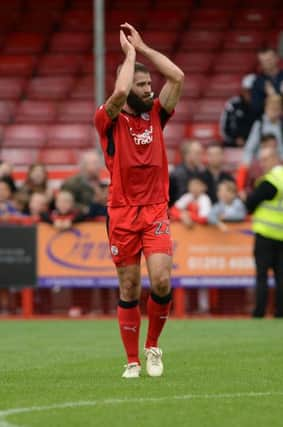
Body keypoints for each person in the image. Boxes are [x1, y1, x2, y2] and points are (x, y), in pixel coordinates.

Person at [94, 23, 184, 378]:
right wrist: (128, 56)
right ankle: (131, 360)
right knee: (129, 286)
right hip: (121, 213)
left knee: (161, 281)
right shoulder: (108, 119)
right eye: (143, 85)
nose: (150, 90)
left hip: (155, 209)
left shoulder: (157, 115)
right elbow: (117, 92)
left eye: (149, 85)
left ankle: (152, 347)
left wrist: (143, 48)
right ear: (129, 88)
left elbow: (177, 77)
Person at [245, 146, 283, 318]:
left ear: (275, 158)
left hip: (266, 235)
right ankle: (280, 312)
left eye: (265, 160)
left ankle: (259, 312)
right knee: (281, 277)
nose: (262, 164)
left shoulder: (270, 180)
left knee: (262, 277)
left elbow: (250, 203)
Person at [242, 95, 283, 166]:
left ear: (280, 110)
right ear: (266, 108)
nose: (274, 112)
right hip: (262, 165)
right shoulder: (259, 125)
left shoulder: (281, 126)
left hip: (279, 166)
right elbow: (249, 148)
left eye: (277, 109)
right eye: (272, 108)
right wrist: (246, 164)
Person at [220, 73, 257, 147]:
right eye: (248, 90)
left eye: (254, 91)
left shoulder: (262, 104)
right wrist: (234, 139)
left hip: (256, 144)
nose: (250, 93)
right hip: (234, 144)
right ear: (243, 90)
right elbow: (224, 128)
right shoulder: (233, 104)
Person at [169, 139, 205, 205]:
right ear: (187, 155)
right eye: (197, 153)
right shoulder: (177, 175)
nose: (200, 156)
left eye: (201, 153)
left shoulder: (201, 172)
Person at [251, 47, 283, 118]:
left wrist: (274, 95)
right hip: (268, 123)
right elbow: (256, 107)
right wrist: (271, 98)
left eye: (269, 59)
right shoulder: (258, 81)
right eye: (263, 61)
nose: (267, 63)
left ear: (276, 58)